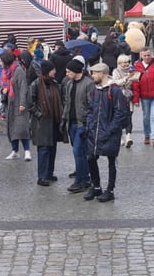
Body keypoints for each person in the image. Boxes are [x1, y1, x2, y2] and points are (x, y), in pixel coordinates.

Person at [83, 62, 129, 202]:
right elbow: (91, 109)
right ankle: (96, 187)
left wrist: (109, 130)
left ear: (101, 74)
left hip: (109, 133)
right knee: (91, 158)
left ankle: (110, 189)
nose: (92, 76)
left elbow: (120, 113)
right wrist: (90, 125)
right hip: (95, 132)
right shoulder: (96, 90)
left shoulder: (114, 91)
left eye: (94, 73)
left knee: (111, 160)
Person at [28, 60, 64, 186]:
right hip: (41, 124)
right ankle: (42, 176)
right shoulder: (35, 84)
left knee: (52, 148)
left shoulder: (55, 84)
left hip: (54, 121)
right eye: (53, 69)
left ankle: (49, 173)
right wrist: (40, 115)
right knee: (43, 149)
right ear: (47, 72)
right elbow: (30, 104)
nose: (55, 71)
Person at [61, 59, 93, 192]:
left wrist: (88, 123)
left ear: (75, 71)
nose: (67, 73)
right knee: (79, 152)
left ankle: (79, 181)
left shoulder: (88, 84)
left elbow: (92, 104)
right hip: (72, 123)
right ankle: (85, 179)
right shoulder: (69, 83)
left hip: (82, 123)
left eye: (69, 71)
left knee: (78, 151)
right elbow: (67, 102)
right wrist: (64, 119)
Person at [131, 47, 154, 147]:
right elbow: (135, 83)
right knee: (146, 117)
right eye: (145, 55)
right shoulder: (137, 66)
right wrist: (136, 99)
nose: (147, 57)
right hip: (144, 97)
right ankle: (147, 134)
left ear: (151, 55)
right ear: (141, 56)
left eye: (148, 55)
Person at [0, 51, 32, 160]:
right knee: (12, 128)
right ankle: (15, 151)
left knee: (22, 128)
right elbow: (3, 86)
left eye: (0, 61)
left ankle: (27, 151)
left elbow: (23, 87)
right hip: (9, 103)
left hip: (18, 103)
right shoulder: (5, 72)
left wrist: (23, 103)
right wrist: (3, 91)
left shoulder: (18, 70)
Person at [110, 54, 138, 147]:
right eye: (124, 62)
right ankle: (120, 137)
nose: (126, 64)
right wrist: (126, 78)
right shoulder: (116, 71)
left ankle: (128, 137)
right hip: (119, 97)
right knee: (119, 117)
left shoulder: (131, 70)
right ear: (119, 63)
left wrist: (135, 76)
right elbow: (116, 83)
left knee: (129, 116)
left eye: (128, 62)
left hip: (129, 96)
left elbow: (136, 81)